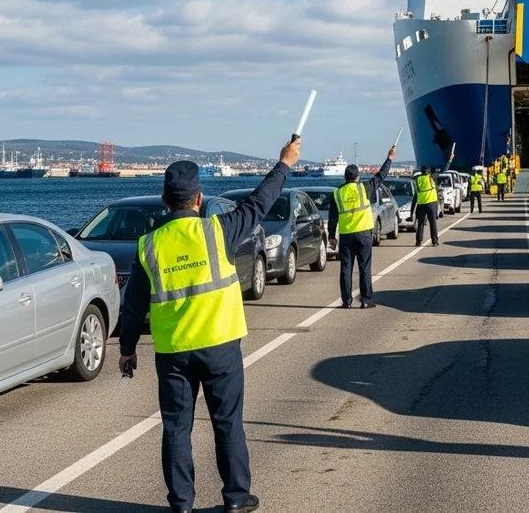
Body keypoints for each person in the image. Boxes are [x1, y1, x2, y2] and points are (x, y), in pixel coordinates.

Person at [118, 136, 301, 513]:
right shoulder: (219, 230)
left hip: (173, 353)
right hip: (220, 346)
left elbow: (133, 305)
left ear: (165, 201)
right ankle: (235, 499)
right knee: (227, 423)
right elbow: (259, 201)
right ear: (198, 200)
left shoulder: (148, 245)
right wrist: (284, 163)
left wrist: (126, 349)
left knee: (176, 429)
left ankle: (181, 504)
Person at [328, 145, 396, 309]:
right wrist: (390, 158)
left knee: (346, 268)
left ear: (345, 177)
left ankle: (346, 301)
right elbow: (381, 176)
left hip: (346, 235)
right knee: (364, 268)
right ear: (358, 177)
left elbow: (332, 217)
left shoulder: (337, 193)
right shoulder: (364, 188)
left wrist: (331, 236)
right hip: (364, 233)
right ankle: (366, 300)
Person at [414, 165, 439, 246]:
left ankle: (418, 241)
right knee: (433, 222)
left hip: (421, 203)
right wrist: (450, 160)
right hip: (431, 203)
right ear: (428, 172)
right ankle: (434, 241)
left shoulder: (418, 179)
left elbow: (416, 194)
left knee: (420, 223)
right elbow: (440, 172)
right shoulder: (431, 178)